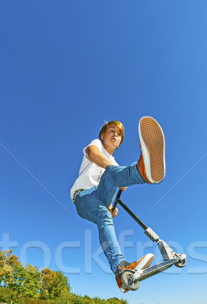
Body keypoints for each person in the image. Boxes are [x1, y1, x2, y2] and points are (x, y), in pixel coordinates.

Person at [70, 117, 166, 292]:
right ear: (102, 135)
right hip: (83, 196)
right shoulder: (97, 145)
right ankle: (140, 172)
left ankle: (121, 273)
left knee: (105, 213)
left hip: (101, 199)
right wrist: (121, 175)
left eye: (119, 134)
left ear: (120, 141)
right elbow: (93, 154)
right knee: (112, 172)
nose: (115, 135)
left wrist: (110, 209)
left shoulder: (114, 165)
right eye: (111, 131)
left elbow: (109, 194)